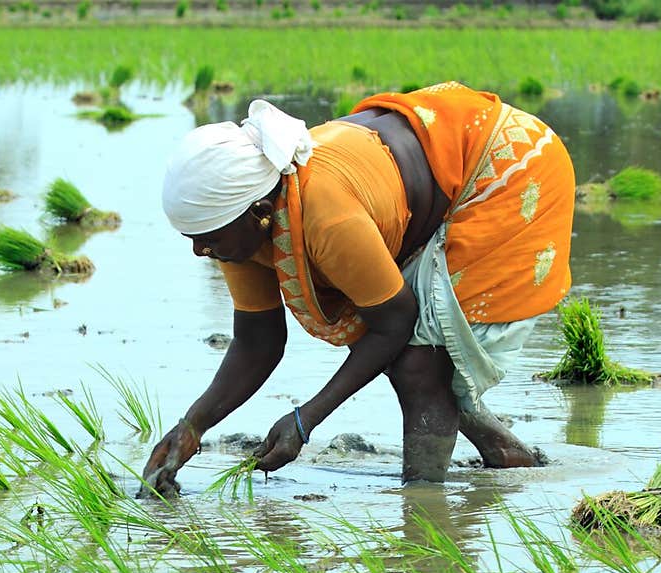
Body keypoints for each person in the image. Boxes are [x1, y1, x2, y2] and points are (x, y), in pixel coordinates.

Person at [140, 82, 575, 497]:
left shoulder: (325, 216)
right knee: (408, 355)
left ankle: (425, 513)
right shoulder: (243, 226)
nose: (201, 251)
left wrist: (306, 419)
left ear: (259, 212)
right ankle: (504, 455)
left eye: (208, 237)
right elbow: (259, 341)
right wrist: (191, 427)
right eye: (193, 238)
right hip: (432, 160)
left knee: (418, 363)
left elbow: (394, 321)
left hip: (502, 168)